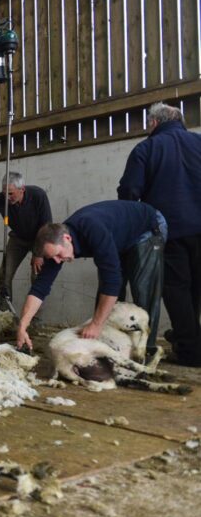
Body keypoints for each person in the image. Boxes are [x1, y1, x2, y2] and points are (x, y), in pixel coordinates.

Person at [15, 201, 167, 355]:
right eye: (52, 257)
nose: (57, 261)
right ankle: (113, 348)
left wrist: (96, 323)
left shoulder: (92, 229)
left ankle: (146, 351)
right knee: (108, 294)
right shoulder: (56, 247)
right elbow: (40, 288)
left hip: (147, 228)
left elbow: (112, 282)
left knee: (143, 289)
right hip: (119, 237)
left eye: (58, 255)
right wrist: (22, 326)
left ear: (67, 238)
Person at [117, 102, 201, 366]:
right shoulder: (198, 142)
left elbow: (129, 192)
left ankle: (189, 351)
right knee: (196, 288)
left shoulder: (147, 148)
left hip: (171, 229)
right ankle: (190, 340)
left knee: (176, 289)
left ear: (153, 123)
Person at [0, 172, 52, 312]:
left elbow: (47, 226)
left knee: (38, 274)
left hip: (39, 237)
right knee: (4, 274)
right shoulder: (0, 199)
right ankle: (5, 316)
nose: (7, 198)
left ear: (22, 189)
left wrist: (38, 254)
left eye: (11, 194)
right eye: (4, 193)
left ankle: (35, 320)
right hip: (18, 238)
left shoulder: (38, 195)